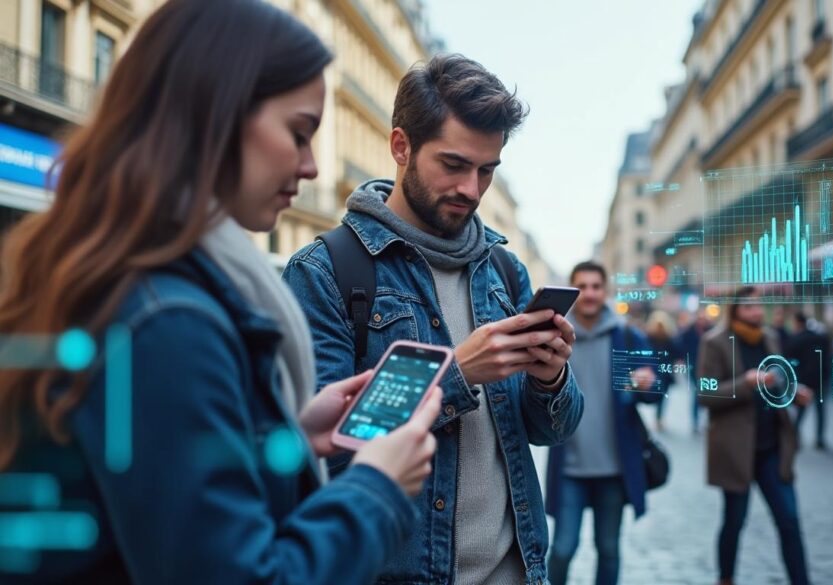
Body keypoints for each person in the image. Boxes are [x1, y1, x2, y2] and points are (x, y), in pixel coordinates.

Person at [0, 2, 440, 583]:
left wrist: (283, 431)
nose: (311, 167)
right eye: (298, 132)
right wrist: (376, 490)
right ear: (216, 115)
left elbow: (155, 487)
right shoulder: (167, 317)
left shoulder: (132, 277)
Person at [283, 54, 583, 585]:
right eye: (454, 164)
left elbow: (550, 431)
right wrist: (455, 375)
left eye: (487, 170)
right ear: (401, 146)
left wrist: (550, 377)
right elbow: (323, 462)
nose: (472, 188)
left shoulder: (504, 271)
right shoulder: (326, 272)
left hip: (517, 570)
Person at [545, 261, 659, 585]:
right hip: (569, 467)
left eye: (596, 286)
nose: (590, 293)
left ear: (605, 291)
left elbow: (652, 392)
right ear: (573, 290)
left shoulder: (625, 336)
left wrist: (648, 382)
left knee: (608, 549)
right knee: (564, 548)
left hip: (614, 468)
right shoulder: (557, 336)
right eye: (583, 286)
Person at [697, 287, 812, 585]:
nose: (757, 311)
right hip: (736, 450)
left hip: (772, 446)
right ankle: (725, 578)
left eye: (759, 305)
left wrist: (792, 393)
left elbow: (776, 383)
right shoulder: (715, 342)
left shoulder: (770, 338)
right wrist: (745, 382)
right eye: (749, 307)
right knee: (734, 522)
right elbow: (706, 394)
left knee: (789, 521)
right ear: (735, 310)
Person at [785, 312, 831, 450]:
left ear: (797, 323)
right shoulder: (821, 338)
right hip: (821, 379)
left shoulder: (796, 339)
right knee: (820, 410)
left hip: (804, 380)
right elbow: (828, 356)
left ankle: (793, 436)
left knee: (800, 410)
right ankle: (820, 438)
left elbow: (789, 360)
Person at [646, 310, 680, 432]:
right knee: (658, 394)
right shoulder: (650, 337)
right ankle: (658, 417)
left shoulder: (668, 337)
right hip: (656, 369)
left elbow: (676, 352)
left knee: (662, 395)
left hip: (663, 370)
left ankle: (659, 417)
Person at [677, 309, 711, 433]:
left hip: (708, 366)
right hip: (693, 365)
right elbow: (681, 345)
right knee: (697, 392)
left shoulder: (710, 330)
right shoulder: (689, 331)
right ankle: (695, 421)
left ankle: (706, 419)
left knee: (707, 392)